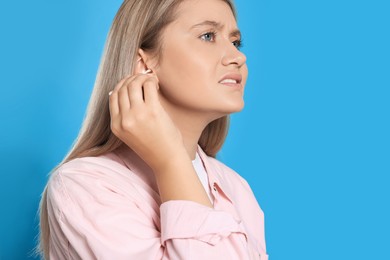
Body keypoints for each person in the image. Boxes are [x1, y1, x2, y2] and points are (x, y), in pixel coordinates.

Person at [38, 0, 268, 259]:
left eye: (236, 42)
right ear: (144, 62)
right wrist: (170, 161)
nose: (238, 57)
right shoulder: (84, 186)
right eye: (208, 36)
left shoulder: (236, 188)